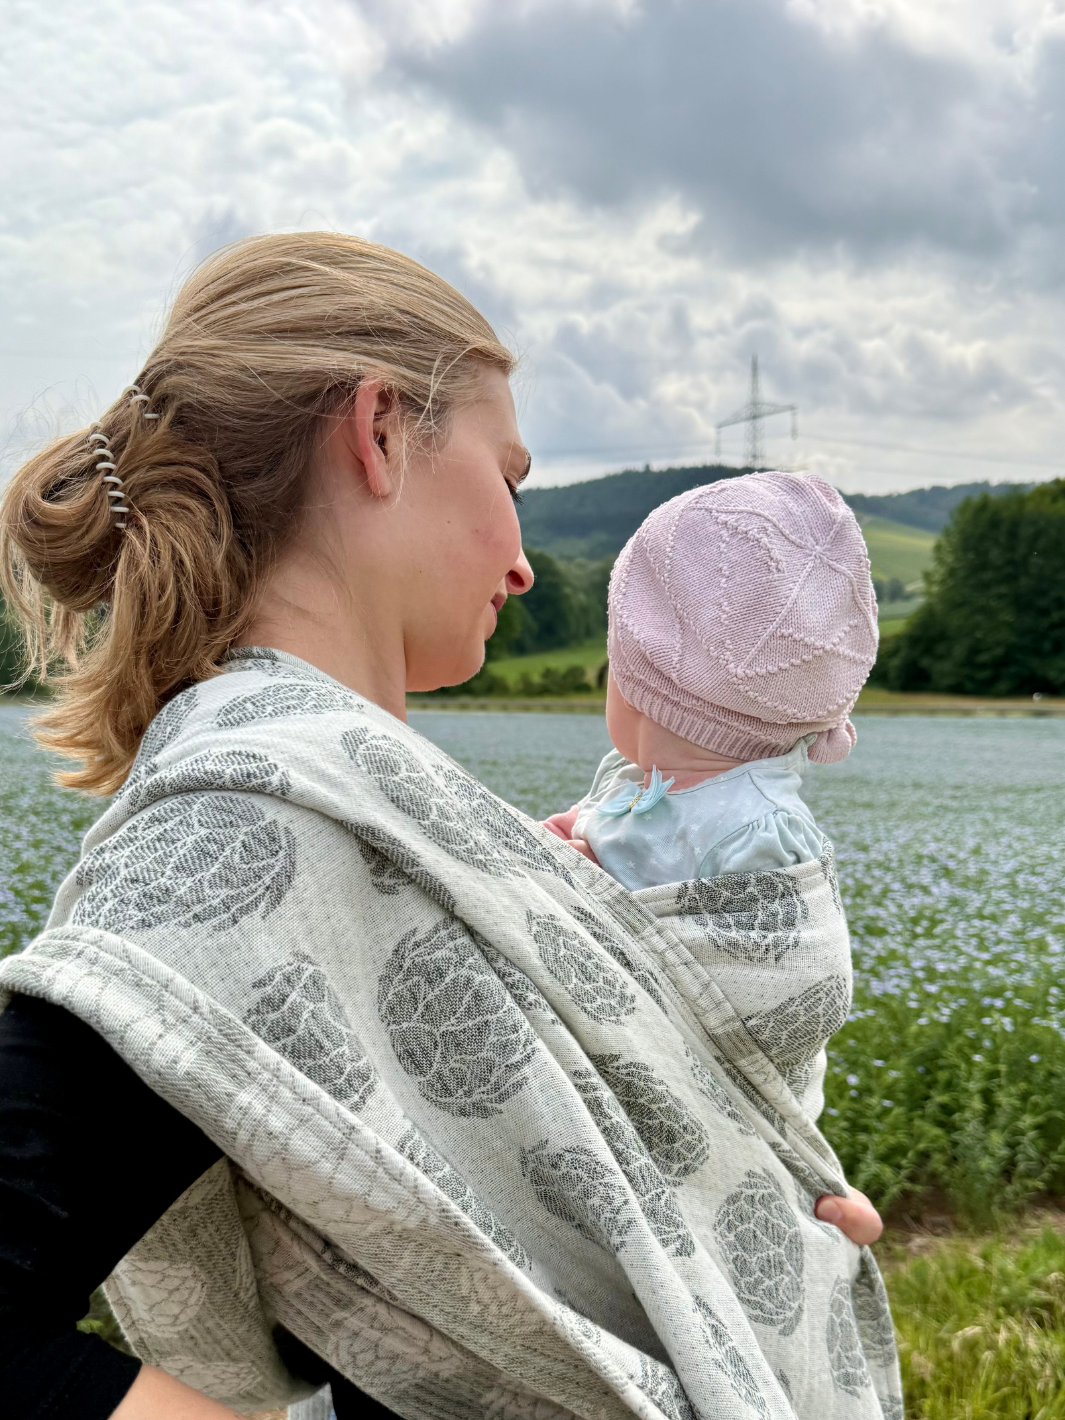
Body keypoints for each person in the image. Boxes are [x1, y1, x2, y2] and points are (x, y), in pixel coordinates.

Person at [0, 233, 887, 1420]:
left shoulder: (368, 815)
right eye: (509, 476)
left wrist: (740, 1237)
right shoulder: (235, 835)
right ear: (377, 432)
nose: (525, 564)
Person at [543, 473, 878, 1122]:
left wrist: (592, 905)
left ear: (647, 691)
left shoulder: (761, 832)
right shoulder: (638, 781)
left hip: (728, 1118)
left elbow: (773, 999)